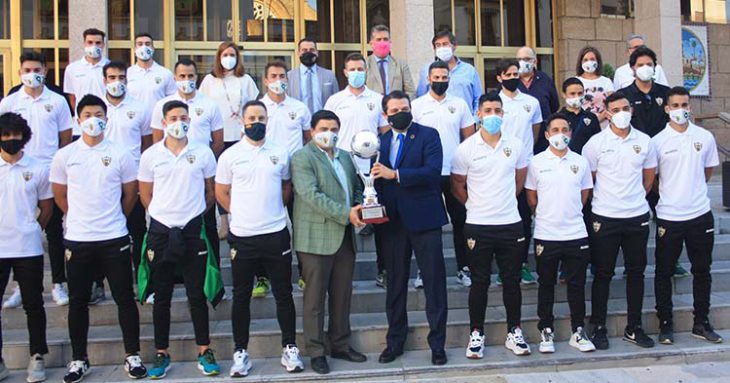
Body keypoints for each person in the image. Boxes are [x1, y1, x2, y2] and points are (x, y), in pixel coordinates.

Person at [49, 95, 146, 382]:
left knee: (125, 299)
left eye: (99, 113)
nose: (94, 119)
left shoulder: (120, 153)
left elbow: (130, 195)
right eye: (88, 114)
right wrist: (79, 217)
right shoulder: (65, 156)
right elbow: (60, 196)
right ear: (78, 120)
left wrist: (113, 218)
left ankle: (132, 355)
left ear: (107, 117)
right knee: (78, 302)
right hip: (78, 239)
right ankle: (79, 359)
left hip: (114, 236)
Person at [215, 100, 303, 377]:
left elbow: (286, 185)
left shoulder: (280, 151)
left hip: (276, 234)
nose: (257, 122)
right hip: (243, 237)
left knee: (283, 294)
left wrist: (275, 208)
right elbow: (221, 191)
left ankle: (289, 347)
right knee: (241, 296)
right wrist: (237, 214)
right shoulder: (230, 155)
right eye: (251, 118)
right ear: (242, 121)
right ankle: (240, 352)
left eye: (261, 117)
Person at [137, 100, 224, 379]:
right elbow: (145, 195)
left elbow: (210, 192)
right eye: (173, 118)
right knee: (161, 296)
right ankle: (161, 353)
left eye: (184, 117)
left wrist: (192, 214)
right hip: (161, 232)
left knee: (196, 295)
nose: (179, 122)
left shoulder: (203, 153)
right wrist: (163, 216)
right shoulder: (151, 155)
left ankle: (204, 350)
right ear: (163, 122)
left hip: (192, 231)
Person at [452, 92, 530, 359]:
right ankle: (477, 334)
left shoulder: (516, 145)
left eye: (498, 110)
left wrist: (503, 202)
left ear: (503, 114)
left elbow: (520, 181)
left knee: (512, 281)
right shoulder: (466, 148)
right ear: (479, 114)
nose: (493, 115)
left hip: (510, 224)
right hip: (478, 225)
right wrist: (475, 206)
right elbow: (457, 185)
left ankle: (514, 331)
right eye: (488, 110)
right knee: (479, 282)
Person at [374, 90, 449, 366]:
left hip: (425, 219)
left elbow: (432, 172)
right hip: (392, 223)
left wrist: (396, 175)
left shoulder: (428, 135)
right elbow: (376, 182)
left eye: (404, 108)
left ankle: (437, 344)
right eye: (394, 110)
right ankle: (395, 342)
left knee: (434, 284)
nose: (400, 113)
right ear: (386, 114)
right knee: (395, 285)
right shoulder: (379, 142)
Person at [291, 110, 367, 375]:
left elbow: (358, 184)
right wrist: (346, 213)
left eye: (334, 128)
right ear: (312, 131)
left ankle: (340, 343)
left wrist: (360, 204)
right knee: (314, 299)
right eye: (324, 128)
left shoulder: (345, 156)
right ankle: (316, 350)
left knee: (342, 295)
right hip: (315, 238)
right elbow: (311, 194)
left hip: (345, 237)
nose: (329, 133)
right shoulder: (302, 158)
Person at [582, 91, 657, 350]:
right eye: (616, 109)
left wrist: (634, 200)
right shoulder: (595, 143)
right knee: (602, 273)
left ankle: (634, 327)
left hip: (636, 216)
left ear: (631, 110)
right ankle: (598, 326)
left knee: (636, 272)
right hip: (604, 217)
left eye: (625, 108)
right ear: (608, 113)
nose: (621, 113)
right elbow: (588, 181)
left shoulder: (645, 142)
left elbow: (649, 179)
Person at [0, 52, 73, 308]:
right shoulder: (9, 102)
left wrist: (59, 168)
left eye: (37, 69)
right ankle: (21, 286)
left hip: (49, 174)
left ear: (45, 70)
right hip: (17, 173)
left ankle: (58, 284)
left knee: (53, 231)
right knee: (22, 229)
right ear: (20, 72)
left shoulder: (58, 101)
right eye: (27, 69)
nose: (32, 74)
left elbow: (66, 138)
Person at [652, 86, 723, 345]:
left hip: (700, 215)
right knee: (664, 272)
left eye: (685, 104)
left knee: (702, 271)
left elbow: (707, 173)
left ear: (689, 106)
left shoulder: (704, 137)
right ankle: (666, 325)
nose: (681, 110)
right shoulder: (657, 142)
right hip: (669, 217)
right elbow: (652, 177)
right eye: (676, 105)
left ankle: (701, 322)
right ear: (667, 108)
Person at [525, 113, 596, 354]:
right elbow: (531, 198)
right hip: (546, 234)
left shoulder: (581, 161)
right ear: (546, 135)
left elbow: (585, 194)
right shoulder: (536, 163)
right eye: (555, 130)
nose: (560, 134)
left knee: (576, 285)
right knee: (546, 284)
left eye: (564, 129)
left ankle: (578, 330)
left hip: (576, 233)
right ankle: (546, 330)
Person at [151, 58, 224, 269]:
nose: (186, 80)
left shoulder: (209, 104)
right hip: (172, 177)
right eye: (182, 76)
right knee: (171, 231)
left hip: (200, 173)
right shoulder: (162, 106)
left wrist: (201, 165)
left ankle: (212, 275)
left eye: (190, 76)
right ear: (175, 78)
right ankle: (177, 274)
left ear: (196, 77)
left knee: (206, 226)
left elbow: (217, 140)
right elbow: (157, 140)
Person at [412, 60, 475, 288]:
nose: (440, 81)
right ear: (428, 79)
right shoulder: (417, 106)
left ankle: (463, 268)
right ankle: (423, 270)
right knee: (428, 224)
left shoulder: (459, 104)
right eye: (436, 78)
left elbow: (469, 137)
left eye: (444, 78)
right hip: (427, 173)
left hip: (454, 171)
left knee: (461, 220)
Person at [0, 112, 51, 383]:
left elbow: (46, 207)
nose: (11, 140)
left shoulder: (38, 168)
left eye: (15, 135)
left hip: (28, 247)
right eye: (5, 136)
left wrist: (33, 228)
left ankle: (37, 356)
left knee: (34, 305)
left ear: (24, 137)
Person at [198, 41, 259, 241]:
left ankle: (240, 217)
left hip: (241, 135)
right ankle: (224, 222)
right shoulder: (209, 80)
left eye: (232, 54)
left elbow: (253, 106)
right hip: (218, 138)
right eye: (225, 54)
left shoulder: (246, 79)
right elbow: (203, 107)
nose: (228, 58)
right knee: (220, 181)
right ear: (218, 57)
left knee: (240, 180)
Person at [261, 60, 312, 290]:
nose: (278, 81)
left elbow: (308, 139)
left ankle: (304, 272)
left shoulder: (299, 108)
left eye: (282, 76)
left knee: (300, 225)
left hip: (296, 176)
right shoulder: (258, 109)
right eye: (273, 76)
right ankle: (264, 276)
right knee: (266, 227)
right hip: (268, 176)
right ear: (265, 80)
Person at [102, 60, 152, 276]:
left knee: (137, 230)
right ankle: (99, 281)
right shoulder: (95, 109)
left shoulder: (139, 108)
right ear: (104, 80)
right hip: (104, 178)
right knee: (103, 234)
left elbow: (147, 143)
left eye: (121, 78)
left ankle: (142, 280)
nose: (117, 82)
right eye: (112, 78)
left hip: (133, 179)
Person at [497, 59, 541, 285]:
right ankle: (502, 268)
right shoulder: (494, 103)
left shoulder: (531, 102)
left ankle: (522, 264)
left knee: (524, 217)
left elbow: (535, 131)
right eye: (508, 74)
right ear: (499, 78)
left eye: (516, 73)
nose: (513, 77)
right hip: (501, 168)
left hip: (526, 167)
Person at [416, 30, 483, 115]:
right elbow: (420, 97)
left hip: (464, 122)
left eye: (445, 44)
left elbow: (478, 98)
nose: (442, 48)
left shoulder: (469, 70)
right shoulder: (426, 70)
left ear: (454, 46)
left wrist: (474, 120)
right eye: (438, 45)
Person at [63, 28, 110, 135]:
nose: (94, 46)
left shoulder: (110, 67)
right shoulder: (72, 68)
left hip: (105, 123)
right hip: (81, 125)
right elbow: (72, 98)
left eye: (98, 43)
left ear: (103, 45)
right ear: (84, 43)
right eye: (90, 42)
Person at [515, 46, 559, 152]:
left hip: (542, 139)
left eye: (526, 59)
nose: (522, 62)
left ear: (535, 61)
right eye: (519, 59)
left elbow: (554, 105)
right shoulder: (511, 80)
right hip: (518, 138)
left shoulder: (545, 80)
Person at [620, 46, 670, 139]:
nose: (645, 68)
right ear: (632, 68)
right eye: (640, 65)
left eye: (649, 64)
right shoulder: (623, 95)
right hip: (634, 146)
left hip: (663, 145)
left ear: (654, 67)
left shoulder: (667, 93)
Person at [287, 37, 340, 114]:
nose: (308, 53)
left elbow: (336, 101)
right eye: (304, 50)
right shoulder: (289, 77)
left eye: (312, 50)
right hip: (298, 122)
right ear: (298, 53)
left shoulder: (329, 75)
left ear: (317, 53)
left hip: (323, 122)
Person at [126, 33, 177, 107]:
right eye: (140, 44)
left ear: (153, 48)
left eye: (147, 44)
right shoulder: (128, 73)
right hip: (135, 118)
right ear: (134, 49)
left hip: (158, 118)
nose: (144, 47)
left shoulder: (165, 73)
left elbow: (173, 99)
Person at [366, 24, 416, 98]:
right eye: (379, 39)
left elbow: (410, 91)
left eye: (385, 39)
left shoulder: (401, 64)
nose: (382, 43)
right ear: (371, 44)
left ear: (390, 42)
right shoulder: (364, 64)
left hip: (396, 108)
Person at [575, 46, 614, 126]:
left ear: (598, 61)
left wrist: (598, 119)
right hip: (582, 125)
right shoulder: (575, 81)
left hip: (604, 125)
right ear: (581, 62)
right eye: (585, 60)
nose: (589, 62)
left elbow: (612, 103)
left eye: (592, 59)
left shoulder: (606, 81)